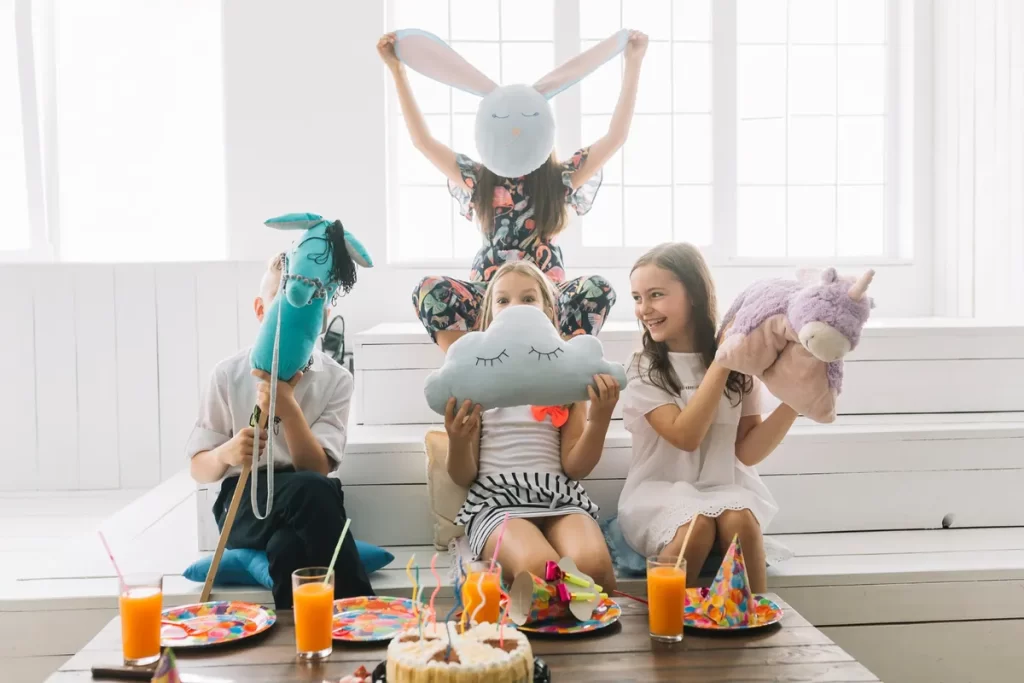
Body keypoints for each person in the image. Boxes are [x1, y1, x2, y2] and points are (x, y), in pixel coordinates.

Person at [377, 30, 649, 352]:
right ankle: (469, 368)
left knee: (599, 288)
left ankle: (559, 365)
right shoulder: (479, 180)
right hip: (490, 297)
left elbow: (615, 137)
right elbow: (423, 142)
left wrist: (633, 62)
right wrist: (397, 70)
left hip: (546, 298)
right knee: (428, 289)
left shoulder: (559, 179)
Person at [186, 253, 373, 608]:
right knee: (313, 492)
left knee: (287, 546)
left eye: (312, 302)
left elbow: (316, 467)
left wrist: (286, 404)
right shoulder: (228, 374)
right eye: (283, 299)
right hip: (244, 503)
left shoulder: (336, 379)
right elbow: (198, 466)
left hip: (310, 494)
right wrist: (226, 453)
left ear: (324, 317)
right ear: (261, 310)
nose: (296, 311)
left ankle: (300, 643)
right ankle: (361, 610)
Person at [618, 243, 799, 592]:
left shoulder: (740, 367)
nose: (644, 309)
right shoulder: (644, 366)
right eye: (638, 298)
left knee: (742, 522)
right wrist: (722, 362)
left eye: (656, 295)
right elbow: (685, 436)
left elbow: (747, 452)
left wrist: (795, 401)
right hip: (658, 491)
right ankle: (668, 630)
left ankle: (751, 624)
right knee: (696, 525)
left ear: (695, 294)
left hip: (724, 486)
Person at [445, 261, 619, 591]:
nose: (514, 310)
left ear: (548, 311)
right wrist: (456, 439)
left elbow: (575, 466)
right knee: (540, 570)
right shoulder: (476, 380)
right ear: (489, 315)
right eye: (503, 300)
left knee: (594, 570)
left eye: (527, 299)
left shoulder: (566, 381)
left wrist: (600, 419)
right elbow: (464, 476)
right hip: (496, 504)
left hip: (559, 498)